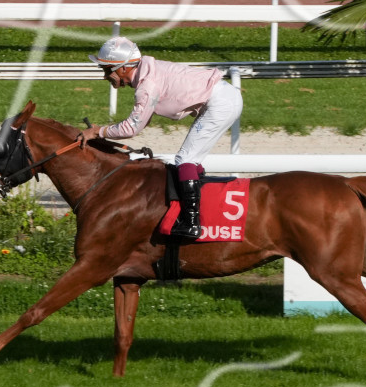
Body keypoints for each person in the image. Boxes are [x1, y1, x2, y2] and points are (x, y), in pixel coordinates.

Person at [79, 36, 243, 240]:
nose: (105, 77)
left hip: (221, 103)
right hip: (223, 98)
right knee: (191, 161)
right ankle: (198, 212)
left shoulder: (147, 86)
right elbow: (141, 121)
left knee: (185, 160)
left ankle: (192, 223)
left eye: (107, 70)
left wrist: (97, 132)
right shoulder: (148, 73)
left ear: (123, 68)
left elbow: (132, 128)